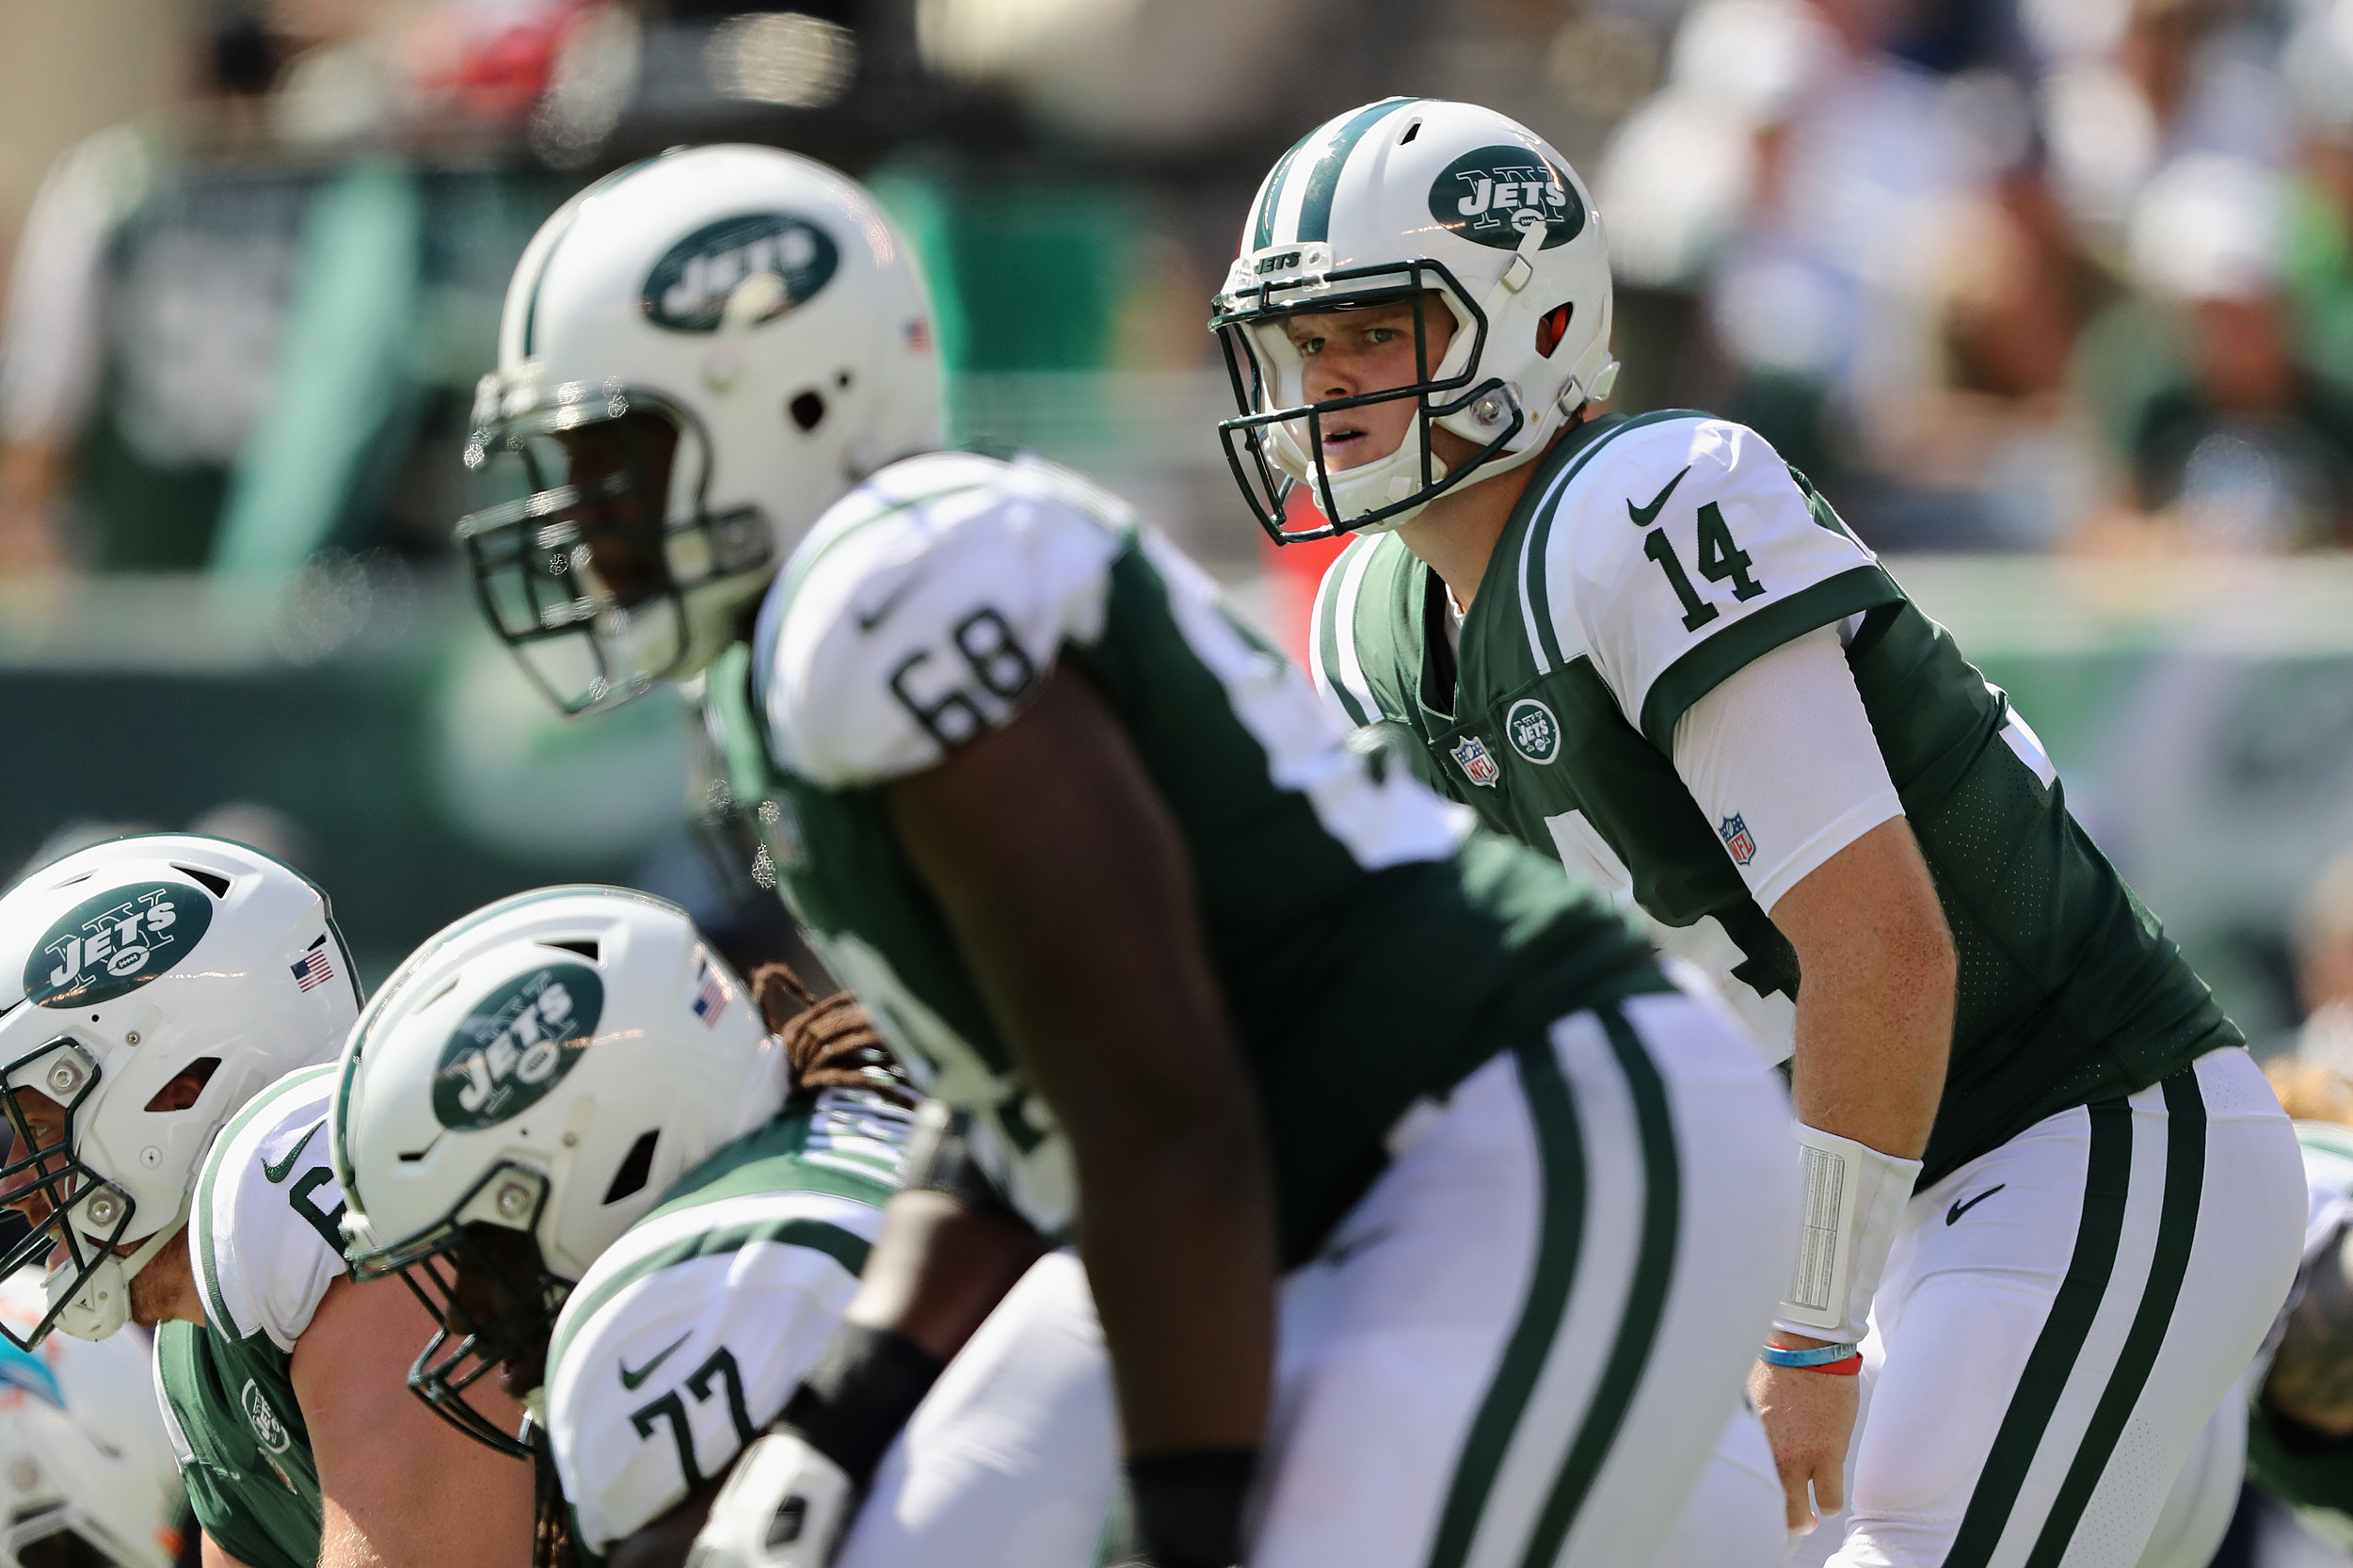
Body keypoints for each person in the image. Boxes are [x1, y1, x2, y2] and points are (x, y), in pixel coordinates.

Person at [454, 142, 1801, 1568]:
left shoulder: (890, 601)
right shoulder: (785, 659)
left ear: (789, 403)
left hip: (1510, 1133)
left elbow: (1160, 1103)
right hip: (1303, 1181)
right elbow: (1022, 1096)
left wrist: (1183, 1531)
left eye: (615, 453)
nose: (581, 516)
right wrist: (843, 1417)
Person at [1240, 96, 2308, 1567]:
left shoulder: (1645, 506)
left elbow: (1881, 946)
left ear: (1531, 320)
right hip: (1832, 1205)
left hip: (2069, 1126)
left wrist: (1809, 1330)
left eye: (1371, 331)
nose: (1326, 381)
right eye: (1304, 343)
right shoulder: (1368, 626)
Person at [328, 885, 923, 1568]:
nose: (466, 1313)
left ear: (606, 1161)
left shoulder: (657, 1315)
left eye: (482, 1252)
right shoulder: (860, 1116)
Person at [0, 832, 535, 1568]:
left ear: (177, 1089)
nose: (14, 1187)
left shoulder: (309, 1189)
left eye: (38, 1132)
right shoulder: (198, 1342)